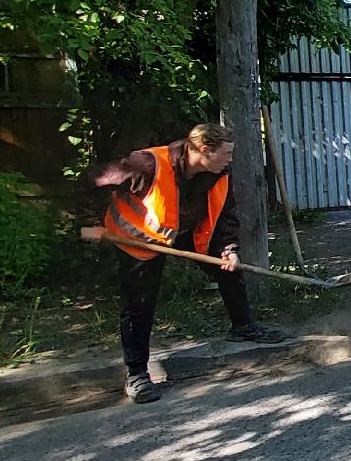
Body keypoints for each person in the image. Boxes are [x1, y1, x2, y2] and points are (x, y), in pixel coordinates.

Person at [82, 123, 287, 402]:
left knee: (226, 266)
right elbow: (92, 180)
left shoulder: (218, 173)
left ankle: (243, 326)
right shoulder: (146, 164)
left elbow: (226, 213)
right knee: (139, 305)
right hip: (139, 240)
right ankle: (137, 374)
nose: (230, 159)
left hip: (180, 231)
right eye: (226, 154)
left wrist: (229, 248)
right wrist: (89, 224)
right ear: (204, 150)